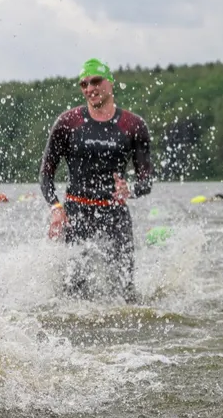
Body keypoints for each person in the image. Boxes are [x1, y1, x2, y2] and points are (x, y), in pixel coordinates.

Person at [40, 58, 153, 303]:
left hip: (115, 216)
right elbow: (46, 174)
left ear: (110, 83)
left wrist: (130, 189)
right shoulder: (68, 123)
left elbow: (147, 181)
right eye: (83, 84)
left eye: (95, 81)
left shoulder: (133, 125)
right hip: (77, 214)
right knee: (74, 295)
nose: (89, 88)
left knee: (125, 294)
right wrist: (56, 207)